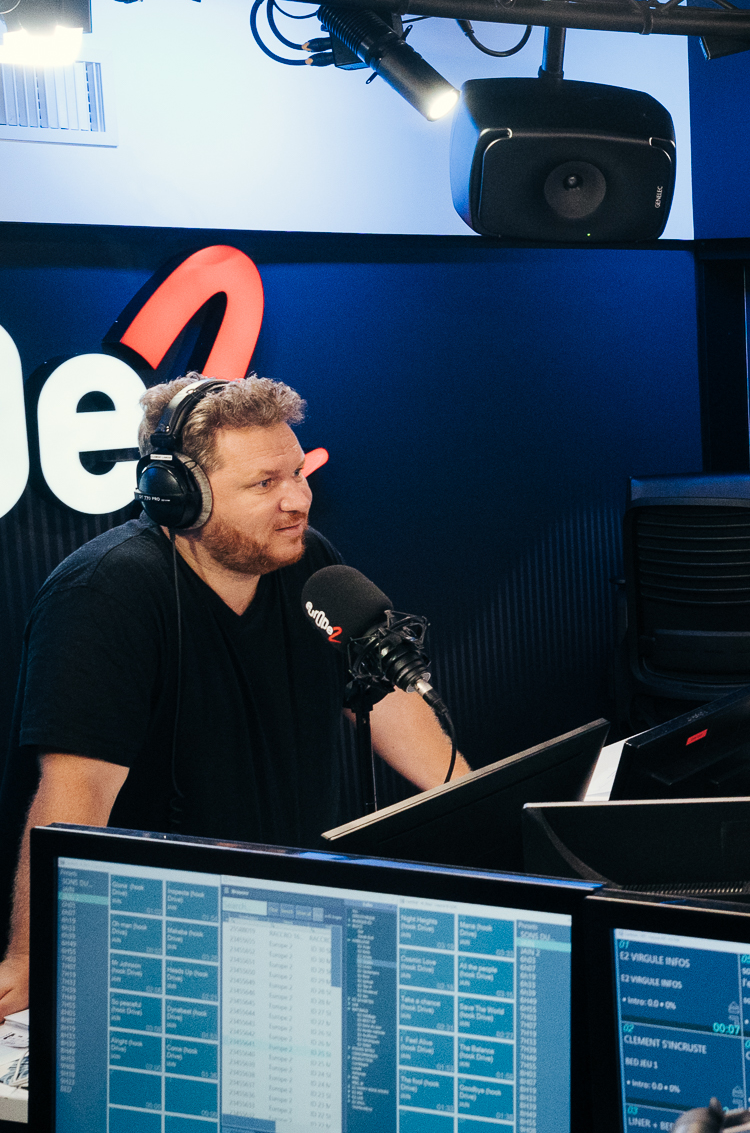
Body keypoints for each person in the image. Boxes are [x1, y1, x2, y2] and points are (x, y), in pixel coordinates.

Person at [0, 374, 465, 1012]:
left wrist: (475, 802)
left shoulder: (306, 562)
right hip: (160, 947)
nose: (298, 500)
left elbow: (379, 697)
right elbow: (73, 799)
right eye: (264, 484)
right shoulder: (104, 595)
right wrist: (32, 958)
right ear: (178, 495)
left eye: (297, 473)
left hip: (291, 923)